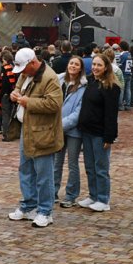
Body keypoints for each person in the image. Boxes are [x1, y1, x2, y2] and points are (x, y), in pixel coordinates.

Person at [8, 48, 63, 228]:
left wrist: (27, 102)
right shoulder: (26, 74)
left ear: (33, 63)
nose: (22, 72)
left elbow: (54, 104)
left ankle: (45, 211)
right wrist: (14, 94)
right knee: (26, 170)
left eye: (24, 68)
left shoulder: (49, 77)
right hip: (28, 129)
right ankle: (29, 205)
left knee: (43, 175)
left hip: (44, 132)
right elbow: (18, 88)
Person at [77, 53, 120, 212]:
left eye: (99, 65)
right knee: (89, 166)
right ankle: (93, 195)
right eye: (94, 64)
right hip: (87, 131)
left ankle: (103, 199)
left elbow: (111, 114)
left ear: (106, 67)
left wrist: (109, 136)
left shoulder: (111, 87)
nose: (95, 67)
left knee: (101, 168)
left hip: (100, 133)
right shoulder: (91, 82)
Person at [54, 55, 87, 208]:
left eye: (76, 64)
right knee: (56, 161)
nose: (73, 66)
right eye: (71, 63)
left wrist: (60, 125)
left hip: (74, 130)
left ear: (81, 68)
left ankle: (71, 195)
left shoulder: (83, 86)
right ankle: (52, 191)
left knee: (72, 163)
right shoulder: (59, 80)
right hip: (57, 127)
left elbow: (78, 113)